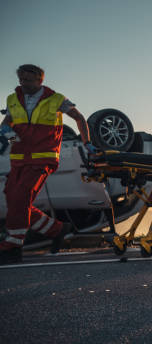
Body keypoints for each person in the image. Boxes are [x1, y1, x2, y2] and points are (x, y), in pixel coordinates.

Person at [0, 64, 96, 264]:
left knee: (20, 197)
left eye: (28, 80)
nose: (23, 84)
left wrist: (87, 142)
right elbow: (6, 124)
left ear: (40, 80)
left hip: (43, 158)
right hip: (19, 159)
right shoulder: (12, 99)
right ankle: (58, 229)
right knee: (13, 198)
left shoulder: (56, 99)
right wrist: (10, 138)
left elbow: (79, 118)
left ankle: (12, 245)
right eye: (21, 80)